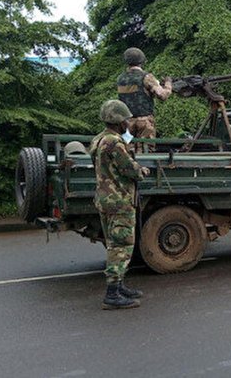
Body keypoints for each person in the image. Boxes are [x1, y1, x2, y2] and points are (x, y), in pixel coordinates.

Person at [90, 100, 149, 310]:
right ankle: (112, 293)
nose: (128, 123)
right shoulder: (114, 142)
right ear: (117, 121)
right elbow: (129, 169)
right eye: (125, 119)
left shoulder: (99, 139)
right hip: (119, 200)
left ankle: (120, 285)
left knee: (114, 242)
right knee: (122, 245)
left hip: (104, 199)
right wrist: (141, 171)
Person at [117, 47, 173, 153]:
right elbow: (163, 95)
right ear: (141, 61)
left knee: (128, 152)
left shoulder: (120, 78)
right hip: (144, 123)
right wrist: (168, 83)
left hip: (126, 124)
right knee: (146, 154)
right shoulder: (147, 77)